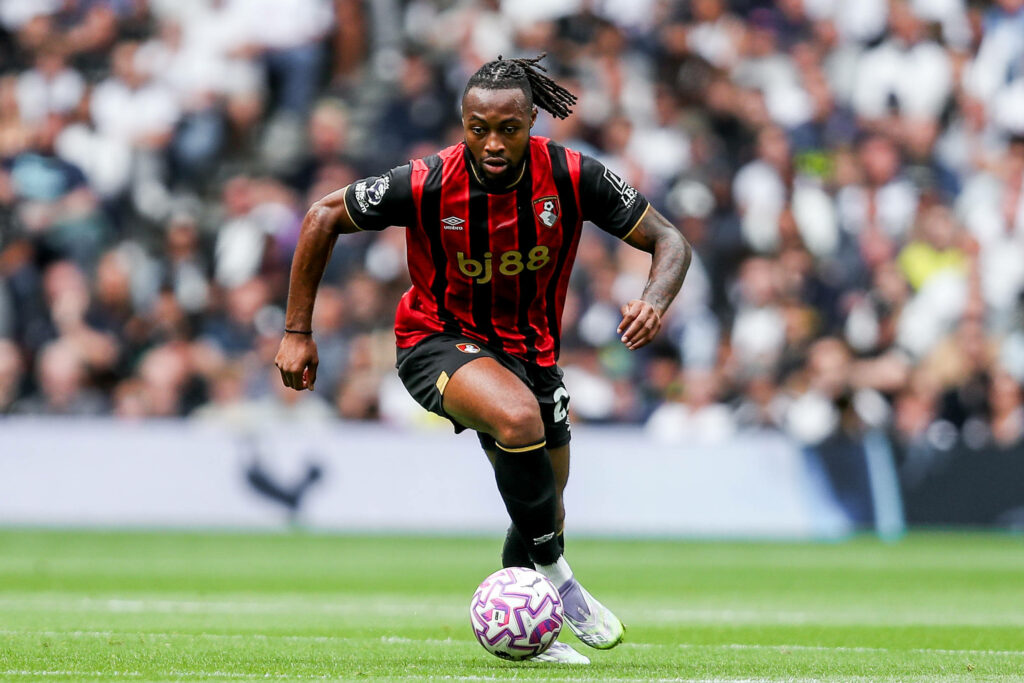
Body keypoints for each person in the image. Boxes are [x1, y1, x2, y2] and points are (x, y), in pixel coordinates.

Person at [274, 55, 691, 664]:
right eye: (478, 129)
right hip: (435, 340)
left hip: (533, 353)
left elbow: (670, 240)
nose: (493, 143)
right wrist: (296, 331)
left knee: (546, 502)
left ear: (531, 122)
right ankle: (560, 579)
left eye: (508, 129)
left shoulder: (573, 174)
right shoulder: (427, 181)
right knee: (519, 420)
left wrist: (654, 300)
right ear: (463, 124)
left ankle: (527, 639)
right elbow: (321, 216)